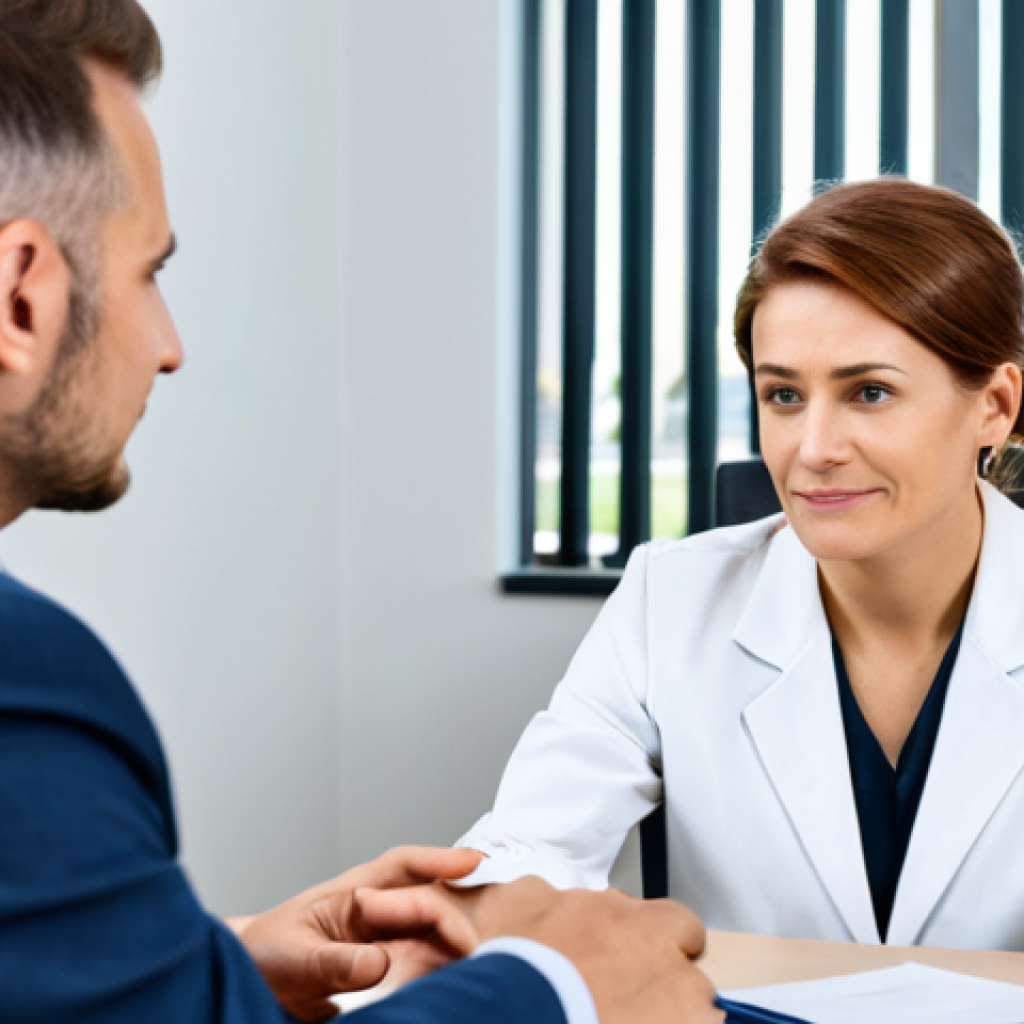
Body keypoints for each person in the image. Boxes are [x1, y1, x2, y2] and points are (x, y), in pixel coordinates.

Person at [0, 2, 725, 1023]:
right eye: (150, 273)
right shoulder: (24, 677)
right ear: (20, 298)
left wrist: (218, 968)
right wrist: (562, 989)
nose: (169, 346)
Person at [457, 177, 1024, 951]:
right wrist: (494, 906)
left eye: (869, 392)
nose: (814, 450)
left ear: (994, 405)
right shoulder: (671, 602)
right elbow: (531, 848)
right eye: (784, 396)